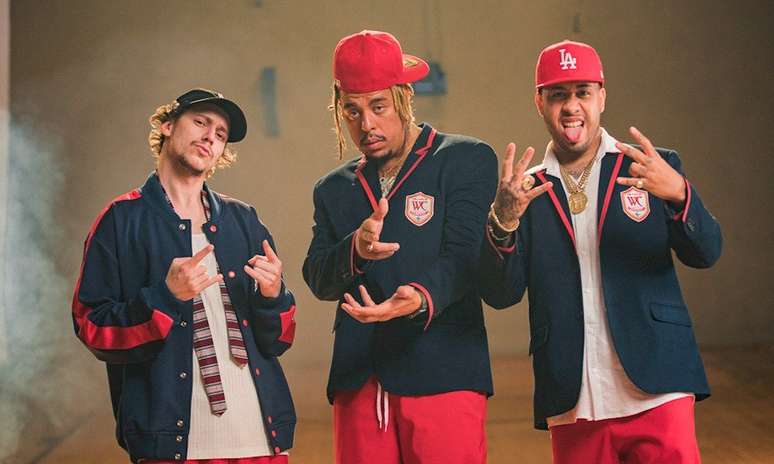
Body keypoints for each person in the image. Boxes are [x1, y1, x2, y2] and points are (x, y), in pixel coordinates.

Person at [479, 40, 723, 463]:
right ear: (539, 102)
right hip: (574, 396)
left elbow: (707, 252)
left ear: (602, 97)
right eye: (558, 95)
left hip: (658, 383)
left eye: (583, 93)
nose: (572, 106)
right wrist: (503, 221)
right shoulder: (525, 191)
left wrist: (681, 194)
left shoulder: (650, 167)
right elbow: (502, 294)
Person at [302, 30, 498, 464]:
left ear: (404, 98)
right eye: (352, 111)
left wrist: (420, 297)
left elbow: (465, 256)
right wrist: (355, 249)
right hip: (359, 378)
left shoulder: (465, 158)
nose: (366, 125)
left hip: (443, 369)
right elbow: (317, 276)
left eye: (378, 107)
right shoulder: (331, 189)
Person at [71, 89, 297, 464]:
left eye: (221, 134)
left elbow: (279, 340)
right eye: (200, 122)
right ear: (167, 125)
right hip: (170, 444)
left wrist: (273, 296)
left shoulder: (243, 219)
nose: (210, 136)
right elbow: (91, 326)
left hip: (258, 438)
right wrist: (165, 297)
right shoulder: (120, 220)